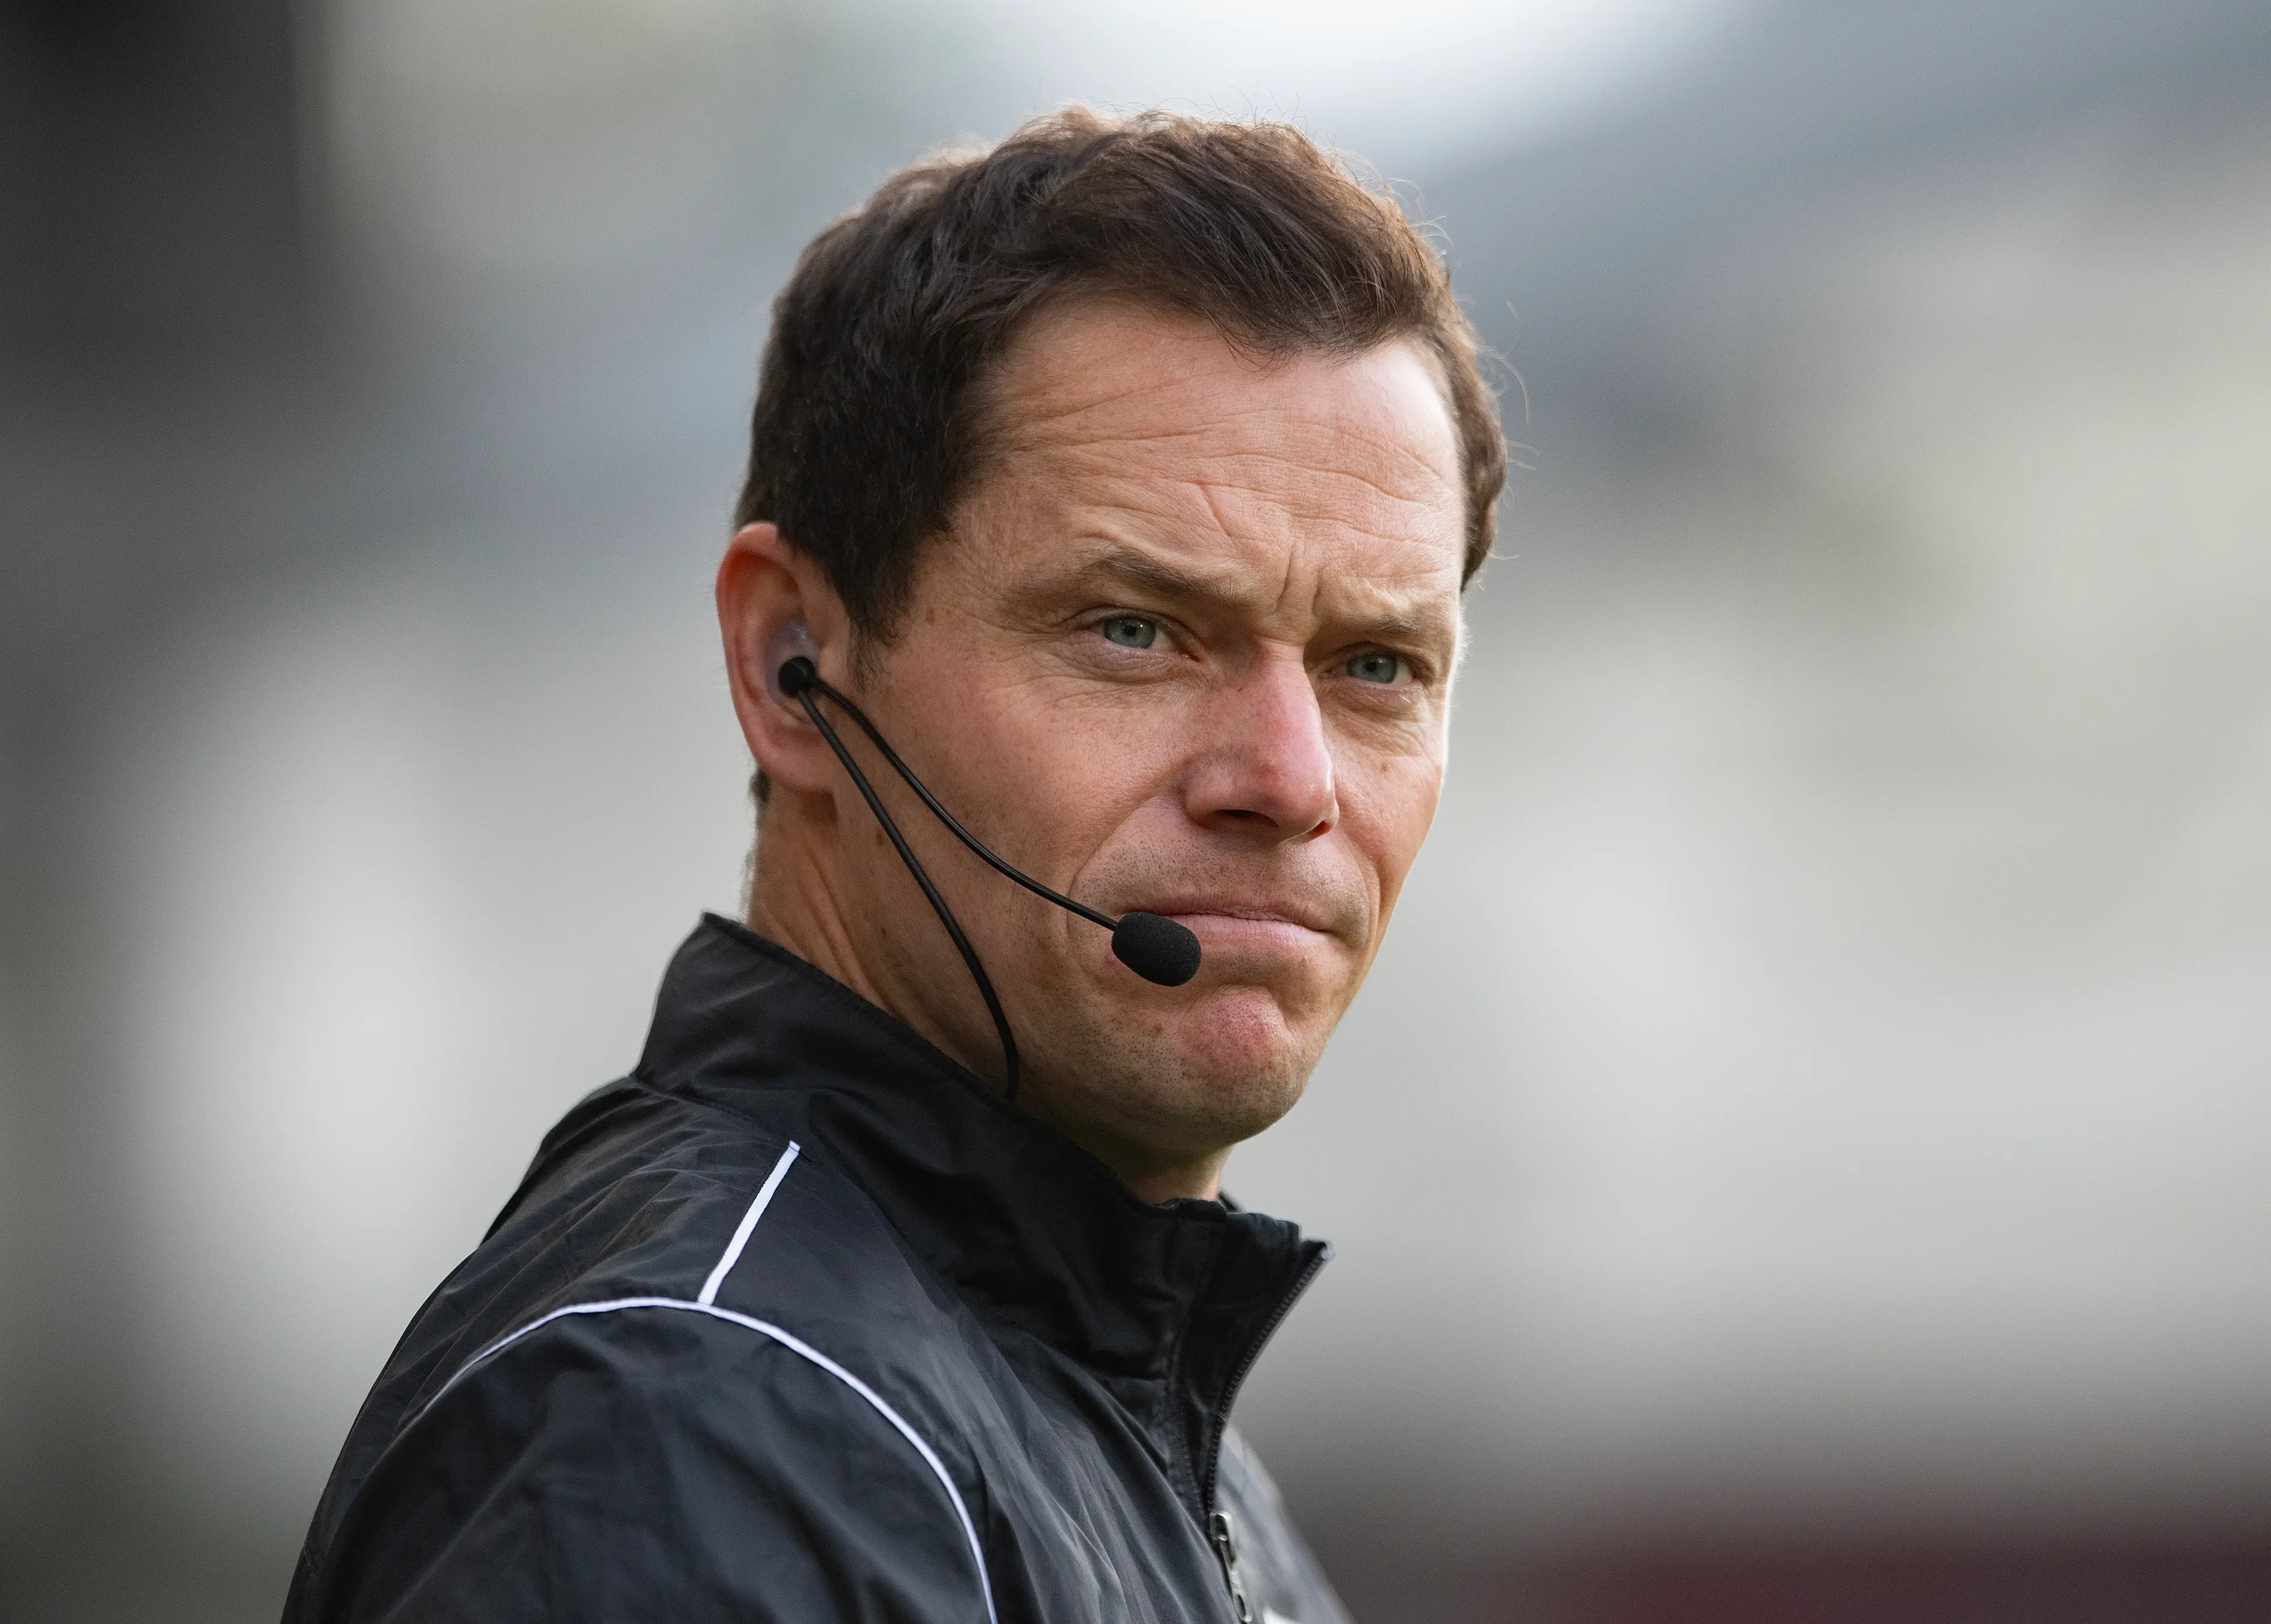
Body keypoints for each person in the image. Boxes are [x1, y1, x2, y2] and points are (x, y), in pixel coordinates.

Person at [285, 107, 1505, 1623]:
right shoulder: (696, 1425)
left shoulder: (1118, 1417)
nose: (1290, 779)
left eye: (1378, 664)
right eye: (1134, 628)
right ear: (793, 659)